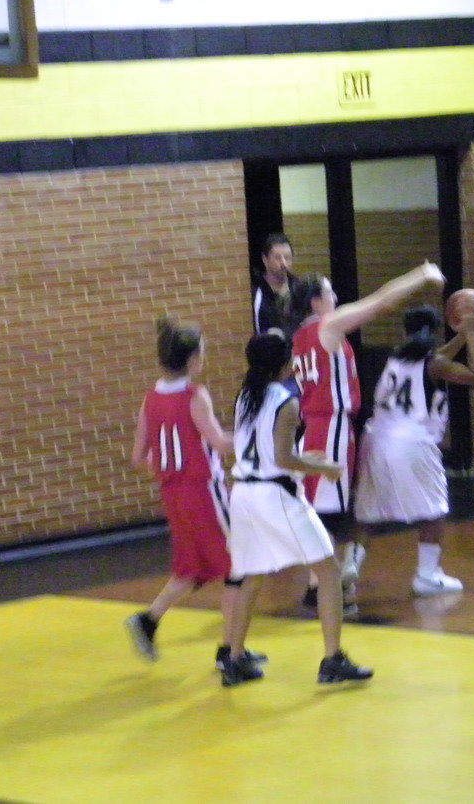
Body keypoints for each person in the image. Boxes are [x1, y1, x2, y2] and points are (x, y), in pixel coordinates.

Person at [290, 262, 447, 610]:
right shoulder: (326, 325)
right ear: (316, 302)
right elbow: (381, 302)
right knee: (326, 513)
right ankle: (321, 587)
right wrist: (420, 275)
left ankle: (319, 584)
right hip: (329, 426)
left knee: (324, 509)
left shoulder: (299, 337)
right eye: (330, 292)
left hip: (320, 426)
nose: (336, 297)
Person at [221, 331, 373, 687]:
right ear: (285, 363)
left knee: (252, 577)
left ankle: (235, 658)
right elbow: (283, 457)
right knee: (330, 571)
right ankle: (332, 659)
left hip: (243, 495)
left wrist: (305, 460)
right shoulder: (285, 401)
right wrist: (324, 467)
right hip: (275, 495)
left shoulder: (245, 396)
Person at [126, 317, 265, 674]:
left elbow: (137, 457)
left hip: (173, 493)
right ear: (192, 360)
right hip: (203, 491)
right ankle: (229, 651)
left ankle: (149, 620)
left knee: (193, 567)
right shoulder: (195, 395)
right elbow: (220, 442)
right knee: (240, 567)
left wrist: (172, 462)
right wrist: (260, 434)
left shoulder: (150, 398)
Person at [354, 305, 474, 596]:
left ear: (405, 331)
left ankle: (350, 567)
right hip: (412, 442)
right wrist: (473, 335)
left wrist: (462, 336)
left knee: (367, 513)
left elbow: (436, 358)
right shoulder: (434, 365)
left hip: (375, 439)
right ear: (437, 330)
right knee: (434, 510)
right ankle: (427, 575)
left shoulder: (394, 357)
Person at [252, 232, 302, 337]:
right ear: (265, 260)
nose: (283, 263)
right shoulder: (255, 293)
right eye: (278, 258)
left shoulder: (301, 288)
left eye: (287, 257)